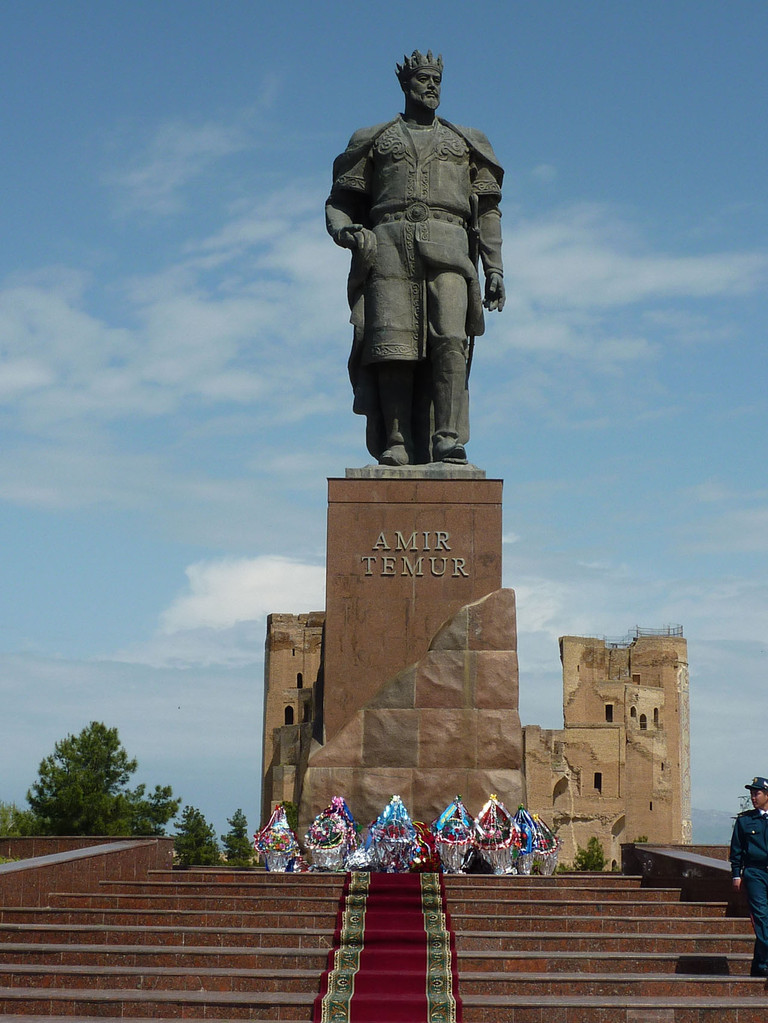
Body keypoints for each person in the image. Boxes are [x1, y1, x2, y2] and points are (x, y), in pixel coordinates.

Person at [326, 50, 505, 466]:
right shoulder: (375, 139)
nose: (431, 87)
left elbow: (489, 210)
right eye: (423, 80)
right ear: (406, 85)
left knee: (451, 339)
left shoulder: (465, 142)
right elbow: (340, 201)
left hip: (450, 244)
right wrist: (346, 231)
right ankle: (396, 439)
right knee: (392, 345)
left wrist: (494, 266)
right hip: (387, 245)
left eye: (436, 81)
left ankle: (447, 438)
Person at [729, 776, 768, 976]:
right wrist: (737, 874)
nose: (753, 797)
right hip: (755, 873)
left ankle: (760, 965)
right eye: (752, 793)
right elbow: (736, 851)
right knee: (761, 918)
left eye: (757, 793)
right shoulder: (745, 821)